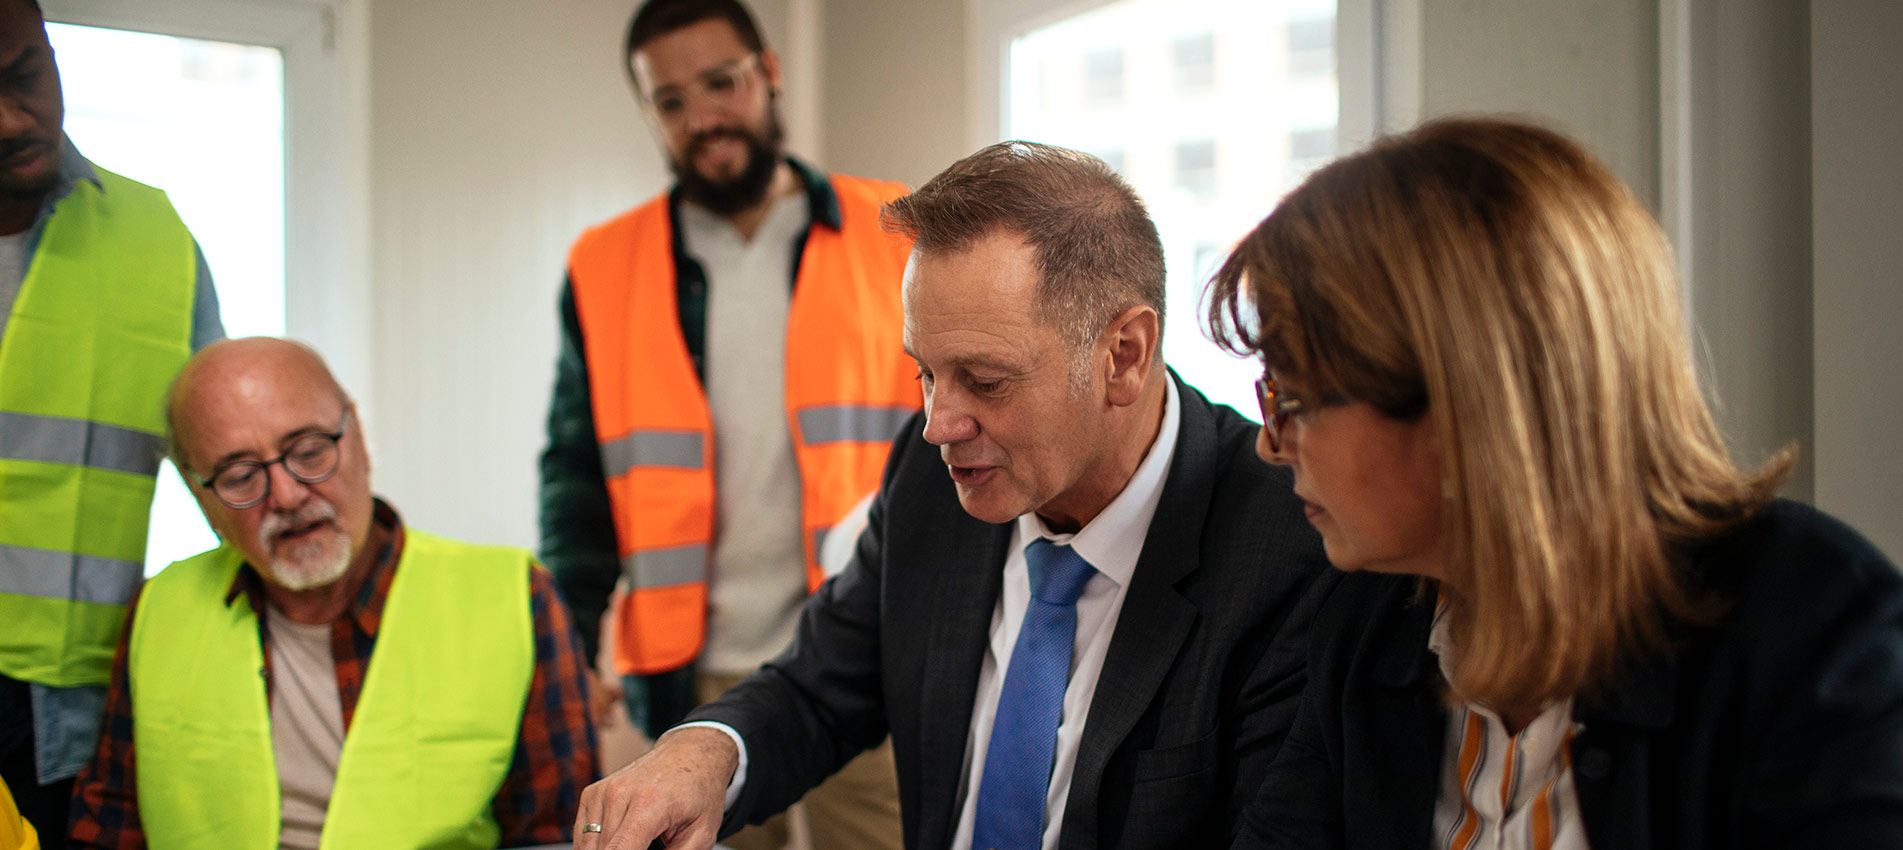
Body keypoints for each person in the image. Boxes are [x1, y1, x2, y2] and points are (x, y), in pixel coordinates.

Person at [573, 140, 1333, 850]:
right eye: (924, 372)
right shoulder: (933, 477)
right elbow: (820, 682)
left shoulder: (1290, 546)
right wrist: (705, 753)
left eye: (985, 380)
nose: (938, 424)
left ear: (1122, 357)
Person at [1211, 117, 1903, 848]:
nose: (1268, 445)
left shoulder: (1812, 627)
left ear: (1467, 403)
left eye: (1290, 399)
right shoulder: (1367, 625)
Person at [540, 0, 916, 847]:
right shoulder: (604, 266)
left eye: (720, 83)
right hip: (693, 677)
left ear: (770, 71)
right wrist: (567, 646)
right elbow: (576, 477)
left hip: (865, 652)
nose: (701, 118)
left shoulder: (892, 231)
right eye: (669, 102)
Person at [68, 338, 598, 849]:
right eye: (239, 475)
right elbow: (110, 828)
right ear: (195, 490)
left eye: (308, 450)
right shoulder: (160, 607)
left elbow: (555, 837)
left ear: (359, 436)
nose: (287, 495)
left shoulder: (514, 597)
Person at [0, 0, 224, 837]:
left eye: (26, 73)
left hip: (78, 705)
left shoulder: (153, 236)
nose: (12, 117)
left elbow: (227, 465)